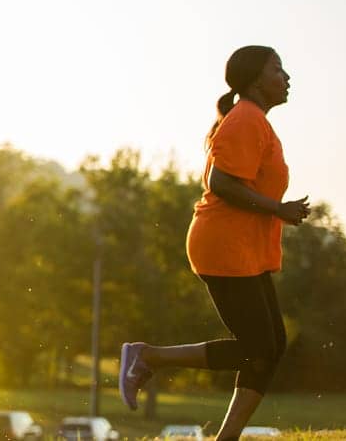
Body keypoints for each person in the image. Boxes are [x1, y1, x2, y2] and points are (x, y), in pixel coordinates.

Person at [119, 45, 310, 441]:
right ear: (256, 78)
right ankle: (147, 355)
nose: (286, 77)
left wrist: (277, 211)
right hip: (224, 246)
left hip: (244, 249)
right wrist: (279, 208)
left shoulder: (254, 120)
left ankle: (227, 439)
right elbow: (221, 183)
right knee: (258, 346)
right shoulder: (245, 119)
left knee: (271, 346)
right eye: (278, 69)